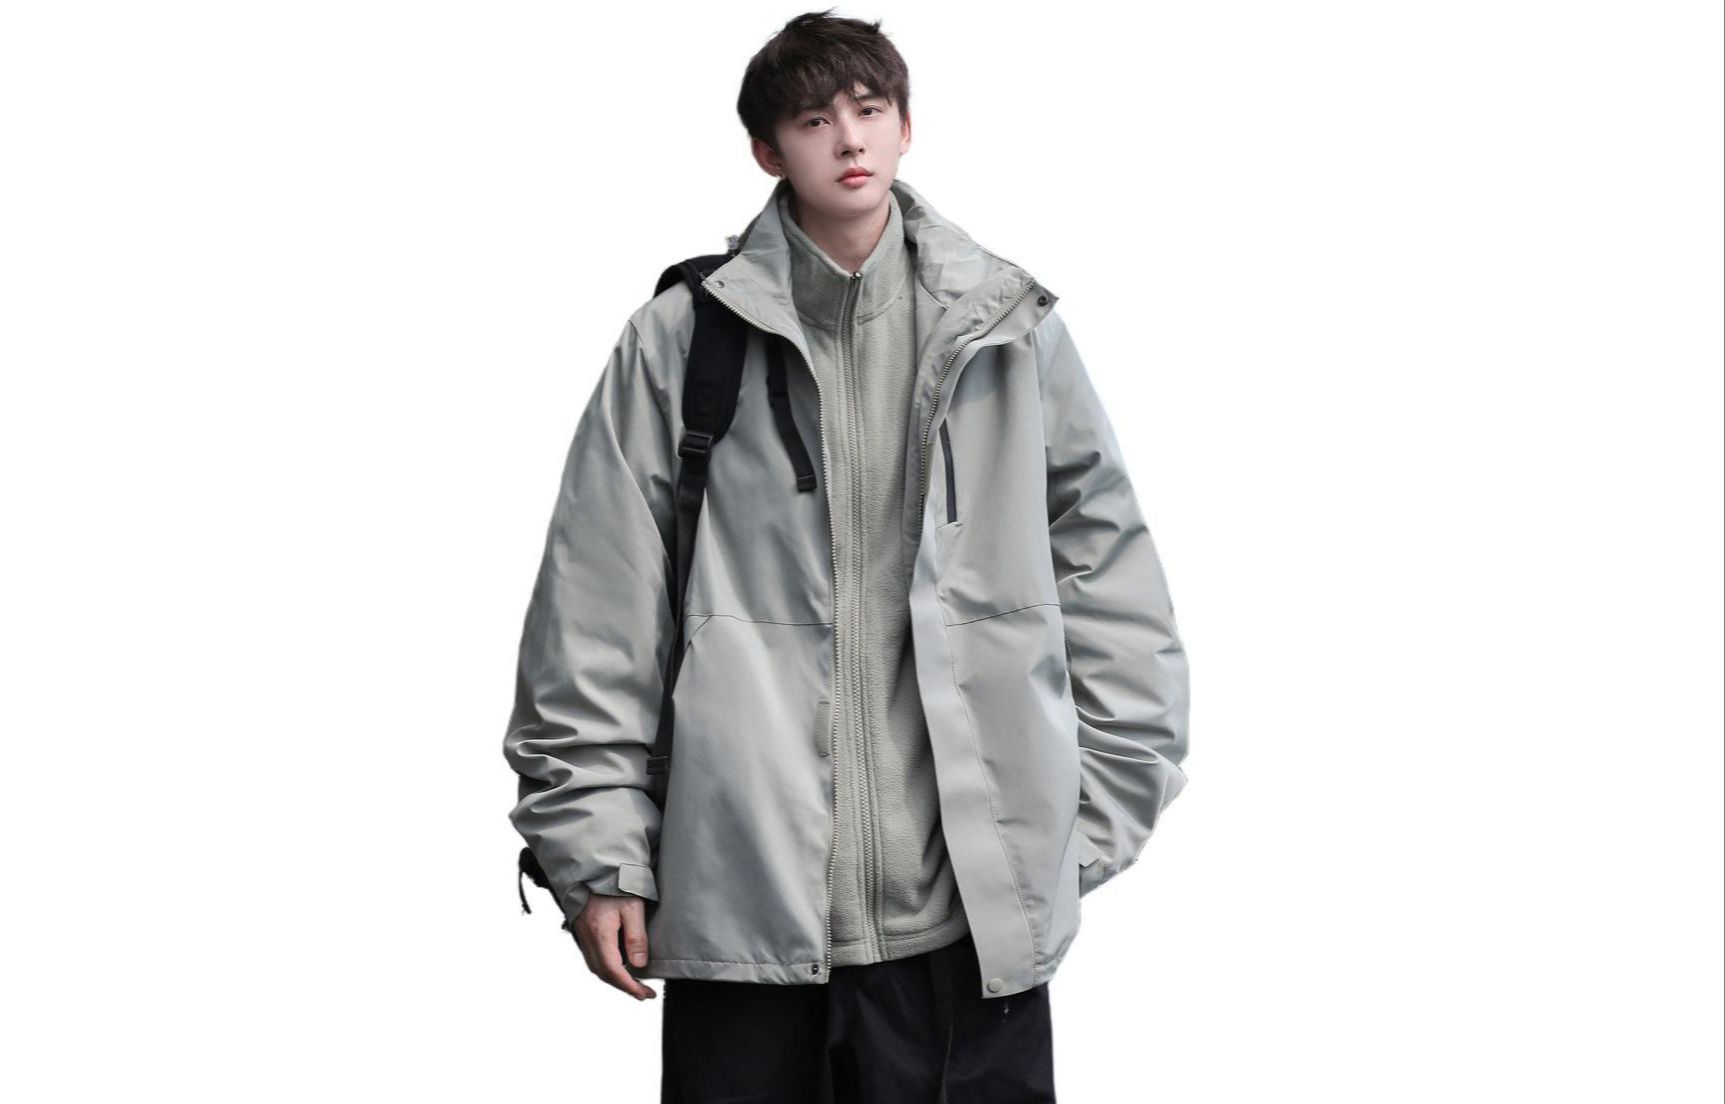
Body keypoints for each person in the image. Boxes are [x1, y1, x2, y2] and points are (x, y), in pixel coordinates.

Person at [502, 11, 1190, 1101]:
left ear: (907, 127)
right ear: (768, 151)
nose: (850, 140)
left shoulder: (1008, 331)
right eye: (814, 121)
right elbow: (595, 613)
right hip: (743, 916)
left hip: (965, 932)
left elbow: (1114, 585)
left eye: (870, 111)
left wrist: (1065, 837)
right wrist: (599, 854)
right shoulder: (678, 340)